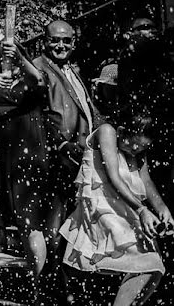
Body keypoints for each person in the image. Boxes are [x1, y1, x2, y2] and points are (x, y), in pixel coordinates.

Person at [60, 112, 172, 306]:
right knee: (149, 262)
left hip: (124, 211)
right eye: (133, 146)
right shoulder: (107, 132)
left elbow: (146, 181)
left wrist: (163, 209)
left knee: (154, 267)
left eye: (142, 149)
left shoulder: (135, 148)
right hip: (102, 209)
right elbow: (114, 176)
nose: (135, 152)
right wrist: (142, 210)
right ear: (122, 131)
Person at [0, 31, 49, 303]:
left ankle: (39, 288)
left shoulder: (31, 77)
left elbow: (39, 81)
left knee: (31, 225)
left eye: (3, 55)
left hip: (24, 161)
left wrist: (19, 57)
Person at [34, 20, 103, 305]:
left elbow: (87, 110)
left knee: (77, 229)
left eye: (66, 41)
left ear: (74, 43)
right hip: (56, 161)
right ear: (44, 42)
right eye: (55, 40)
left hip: (81, 160)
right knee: (55, 229)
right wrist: (60, 144)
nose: (60, 45)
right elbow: (38, 112)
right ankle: (53, 291)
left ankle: (70, 288)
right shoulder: (38, 67)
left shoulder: (73, 71)